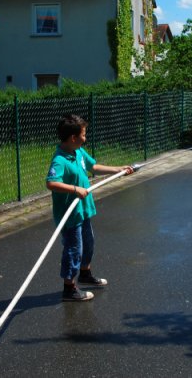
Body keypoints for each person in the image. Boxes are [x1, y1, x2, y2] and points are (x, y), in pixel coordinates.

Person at [46, 114, 134, 301]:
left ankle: (85, 273)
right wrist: (75, 189)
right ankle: (69, 288)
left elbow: (94, 167)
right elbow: (51, 183)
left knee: (88, 243)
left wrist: (119, 169)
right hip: (70, 215)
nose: (85, 138)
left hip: (83, 209)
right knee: (74, 248)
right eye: (83, 134)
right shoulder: (60, 160)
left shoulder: (78, 152)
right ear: (73, 138)